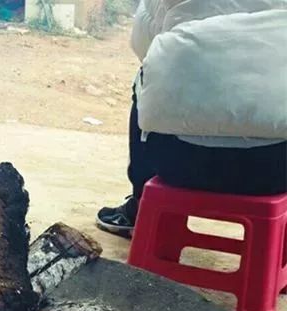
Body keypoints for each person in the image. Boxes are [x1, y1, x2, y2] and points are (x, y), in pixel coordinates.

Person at [97, 0, 287, 237]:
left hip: (181, 163)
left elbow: (143, 45)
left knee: (147, 76)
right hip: (276, 170)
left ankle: (140, 205)